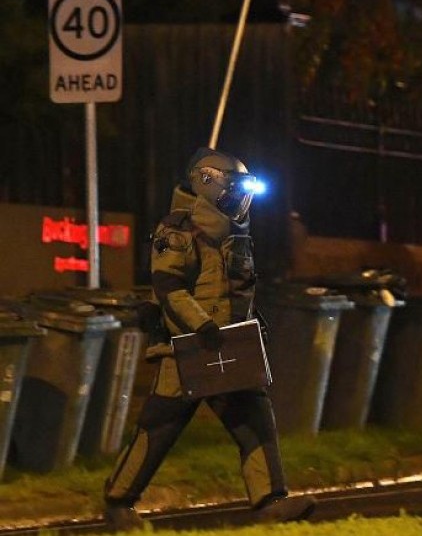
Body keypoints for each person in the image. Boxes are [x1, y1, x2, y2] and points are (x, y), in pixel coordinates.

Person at [102, 148, 316, 530]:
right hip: (185, 349)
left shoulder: (236, 232)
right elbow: (169, 289)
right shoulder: (176, 231)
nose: (241, 196)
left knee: (256, 422)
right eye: (234, 186)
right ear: (208, 182)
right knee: (159, 428)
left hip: (230, 345)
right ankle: (119, 502)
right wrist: (202, 325)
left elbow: (239, 289)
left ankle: (270, 500)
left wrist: (248, 327)